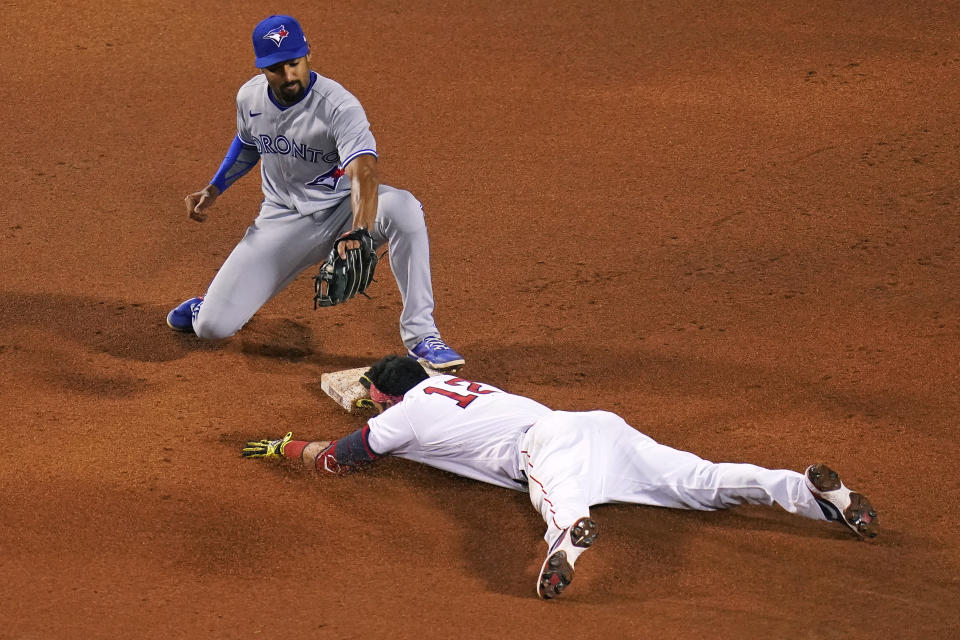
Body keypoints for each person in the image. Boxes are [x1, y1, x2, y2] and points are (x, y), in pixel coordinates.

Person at [242, 355, 879, 600]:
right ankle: (810, 491)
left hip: (547, 445)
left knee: (558, 499)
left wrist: (284, 446)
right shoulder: (447, 384)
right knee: (701, 479)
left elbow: (338, 460)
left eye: (376, 397)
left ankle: (568, 537)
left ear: (389, 397)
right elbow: (400, 405)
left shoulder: (402, 417)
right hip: (598, 427)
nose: (375, 404)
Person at [166, 15, 464, 371]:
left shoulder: (338, 106)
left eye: (295, 63)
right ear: (262, 68)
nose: (289, 75)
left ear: (307, 55)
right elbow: (248, 144)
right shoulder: (249, 97)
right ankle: (207, 304)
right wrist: (215, 187)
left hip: (343, 210)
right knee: (212, 329)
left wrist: (361, 228)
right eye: (277, 68)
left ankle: (422, 336)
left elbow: (364, 170)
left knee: (404, 208)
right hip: (281, 221)